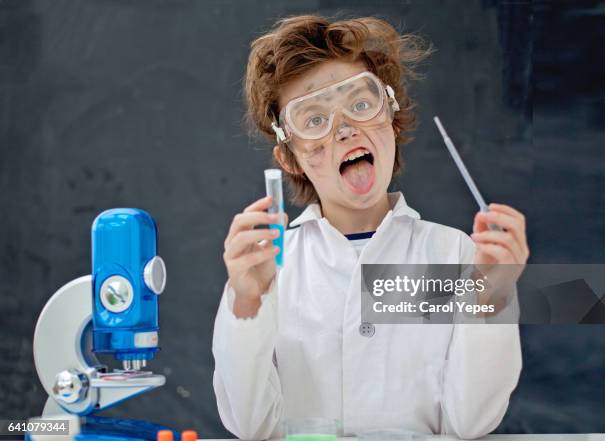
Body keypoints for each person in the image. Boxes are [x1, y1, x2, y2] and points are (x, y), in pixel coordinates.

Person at [212, 15, 529, 440]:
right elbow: (251, 427)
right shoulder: (269, 267)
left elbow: (469, 423)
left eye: (361, 105)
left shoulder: (454, 254)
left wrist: (492, 296)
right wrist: (249, 302)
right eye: (313, 119)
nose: (344, 130)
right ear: (290, 158)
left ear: (391, 118)